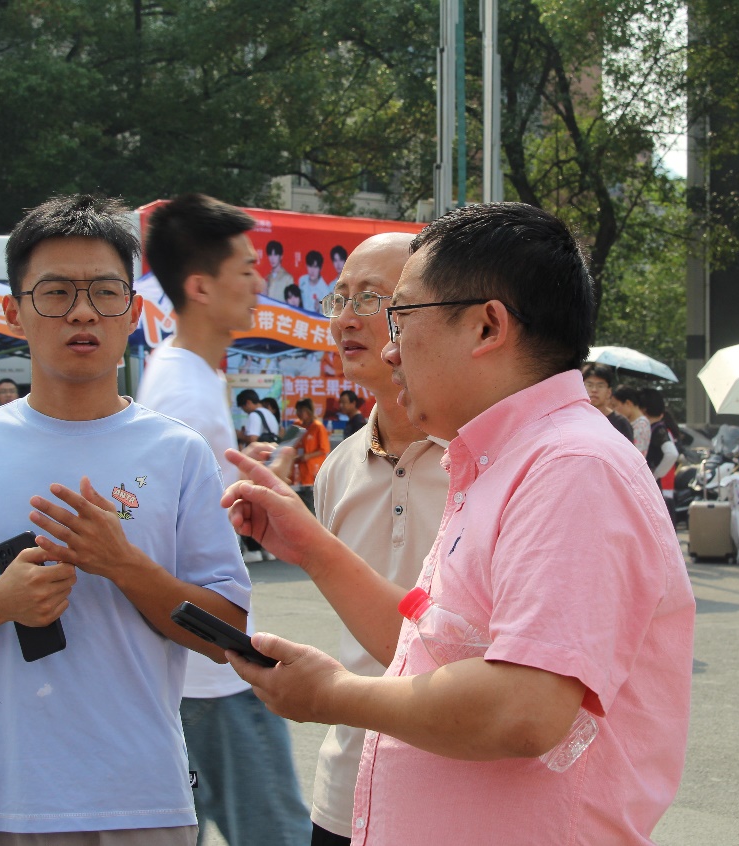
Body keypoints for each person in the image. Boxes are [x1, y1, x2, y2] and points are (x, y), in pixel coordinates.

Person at [221, 202, 694, 845]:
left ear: (486, 326)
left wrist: (333, 695)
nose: (389, 349)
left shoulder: (572, 467)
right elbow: (429, 649)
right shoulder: (500, 460)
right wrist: (309, 544)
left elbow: (525, 706)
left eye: (399, 315)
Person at [0, 194, 252, 842]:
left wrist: (124, 565)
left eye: (105, 292)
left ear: (132, 312)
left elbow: (227, 635)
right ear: (14, 312)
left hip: (141, 803)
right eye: (55, 293)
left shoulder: (177, 453)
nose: (83, 312)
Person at [137, 193, 311, 846]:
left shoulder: (182, 374)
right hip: (215, 670)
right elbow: (162, 538)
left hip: (201, 666)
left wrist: (243, 476)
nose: (259, 282)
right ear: (200, 287)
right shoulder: (185, 393)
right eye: (245, 269)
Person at [309, 233, 451, 845]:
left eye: (371, 298)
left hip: (458, 801)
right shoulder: (337, 470)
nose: (346, 318)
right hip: (345, 795)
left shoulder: (486, 461)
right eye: (340, 298)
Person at [292, 398, 329, 514]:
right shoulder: (297, 425)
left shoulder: (318, 427)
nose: (299, 413)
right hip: (297, 472)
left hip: (312, 471)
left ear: (308, 411)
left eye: (301, 410)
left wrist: (307, 456)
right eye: (297, 410)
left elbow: (324, 449)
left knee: (311, 504)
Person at [581, 363, 633, 443]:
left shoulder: (621, 423)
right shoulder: (574, 418)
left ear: (609, 392)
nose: (594, 390)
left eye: (600, 386)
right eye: (589, 385)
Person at [640, 388, 679, 481]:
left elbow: (672, 454)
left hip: (654, 482)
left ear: (643, 409)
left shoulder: (658, 430)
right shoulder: (656, 427)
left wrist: (655, 475)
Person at [613, 385, 651, 455]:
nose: (614, 410)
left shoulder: (641, 425)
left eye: (615, 405)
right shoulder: (635, 422)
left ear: (628, 403)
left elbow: (635, 452)